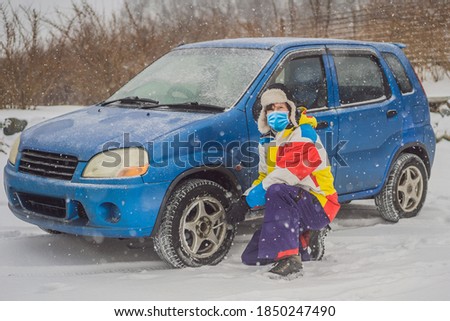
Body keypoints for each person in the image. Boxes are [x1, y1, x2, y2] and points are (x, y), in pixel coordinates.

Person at [228, 84, 340, 280]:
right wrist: (243, 199)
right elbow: (264, 177)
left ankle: (291, 261)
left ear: (291, 109)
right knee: (252, 256)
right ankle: (305, 242)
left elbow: (286, 174)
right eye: (270, 108)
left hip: (319, 203)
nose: (275, 112)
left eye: (281, 107)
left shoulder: (304, 134)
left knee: (277, 190)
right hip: (292, 202)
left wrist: (248, 202)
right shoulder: (267, 141)